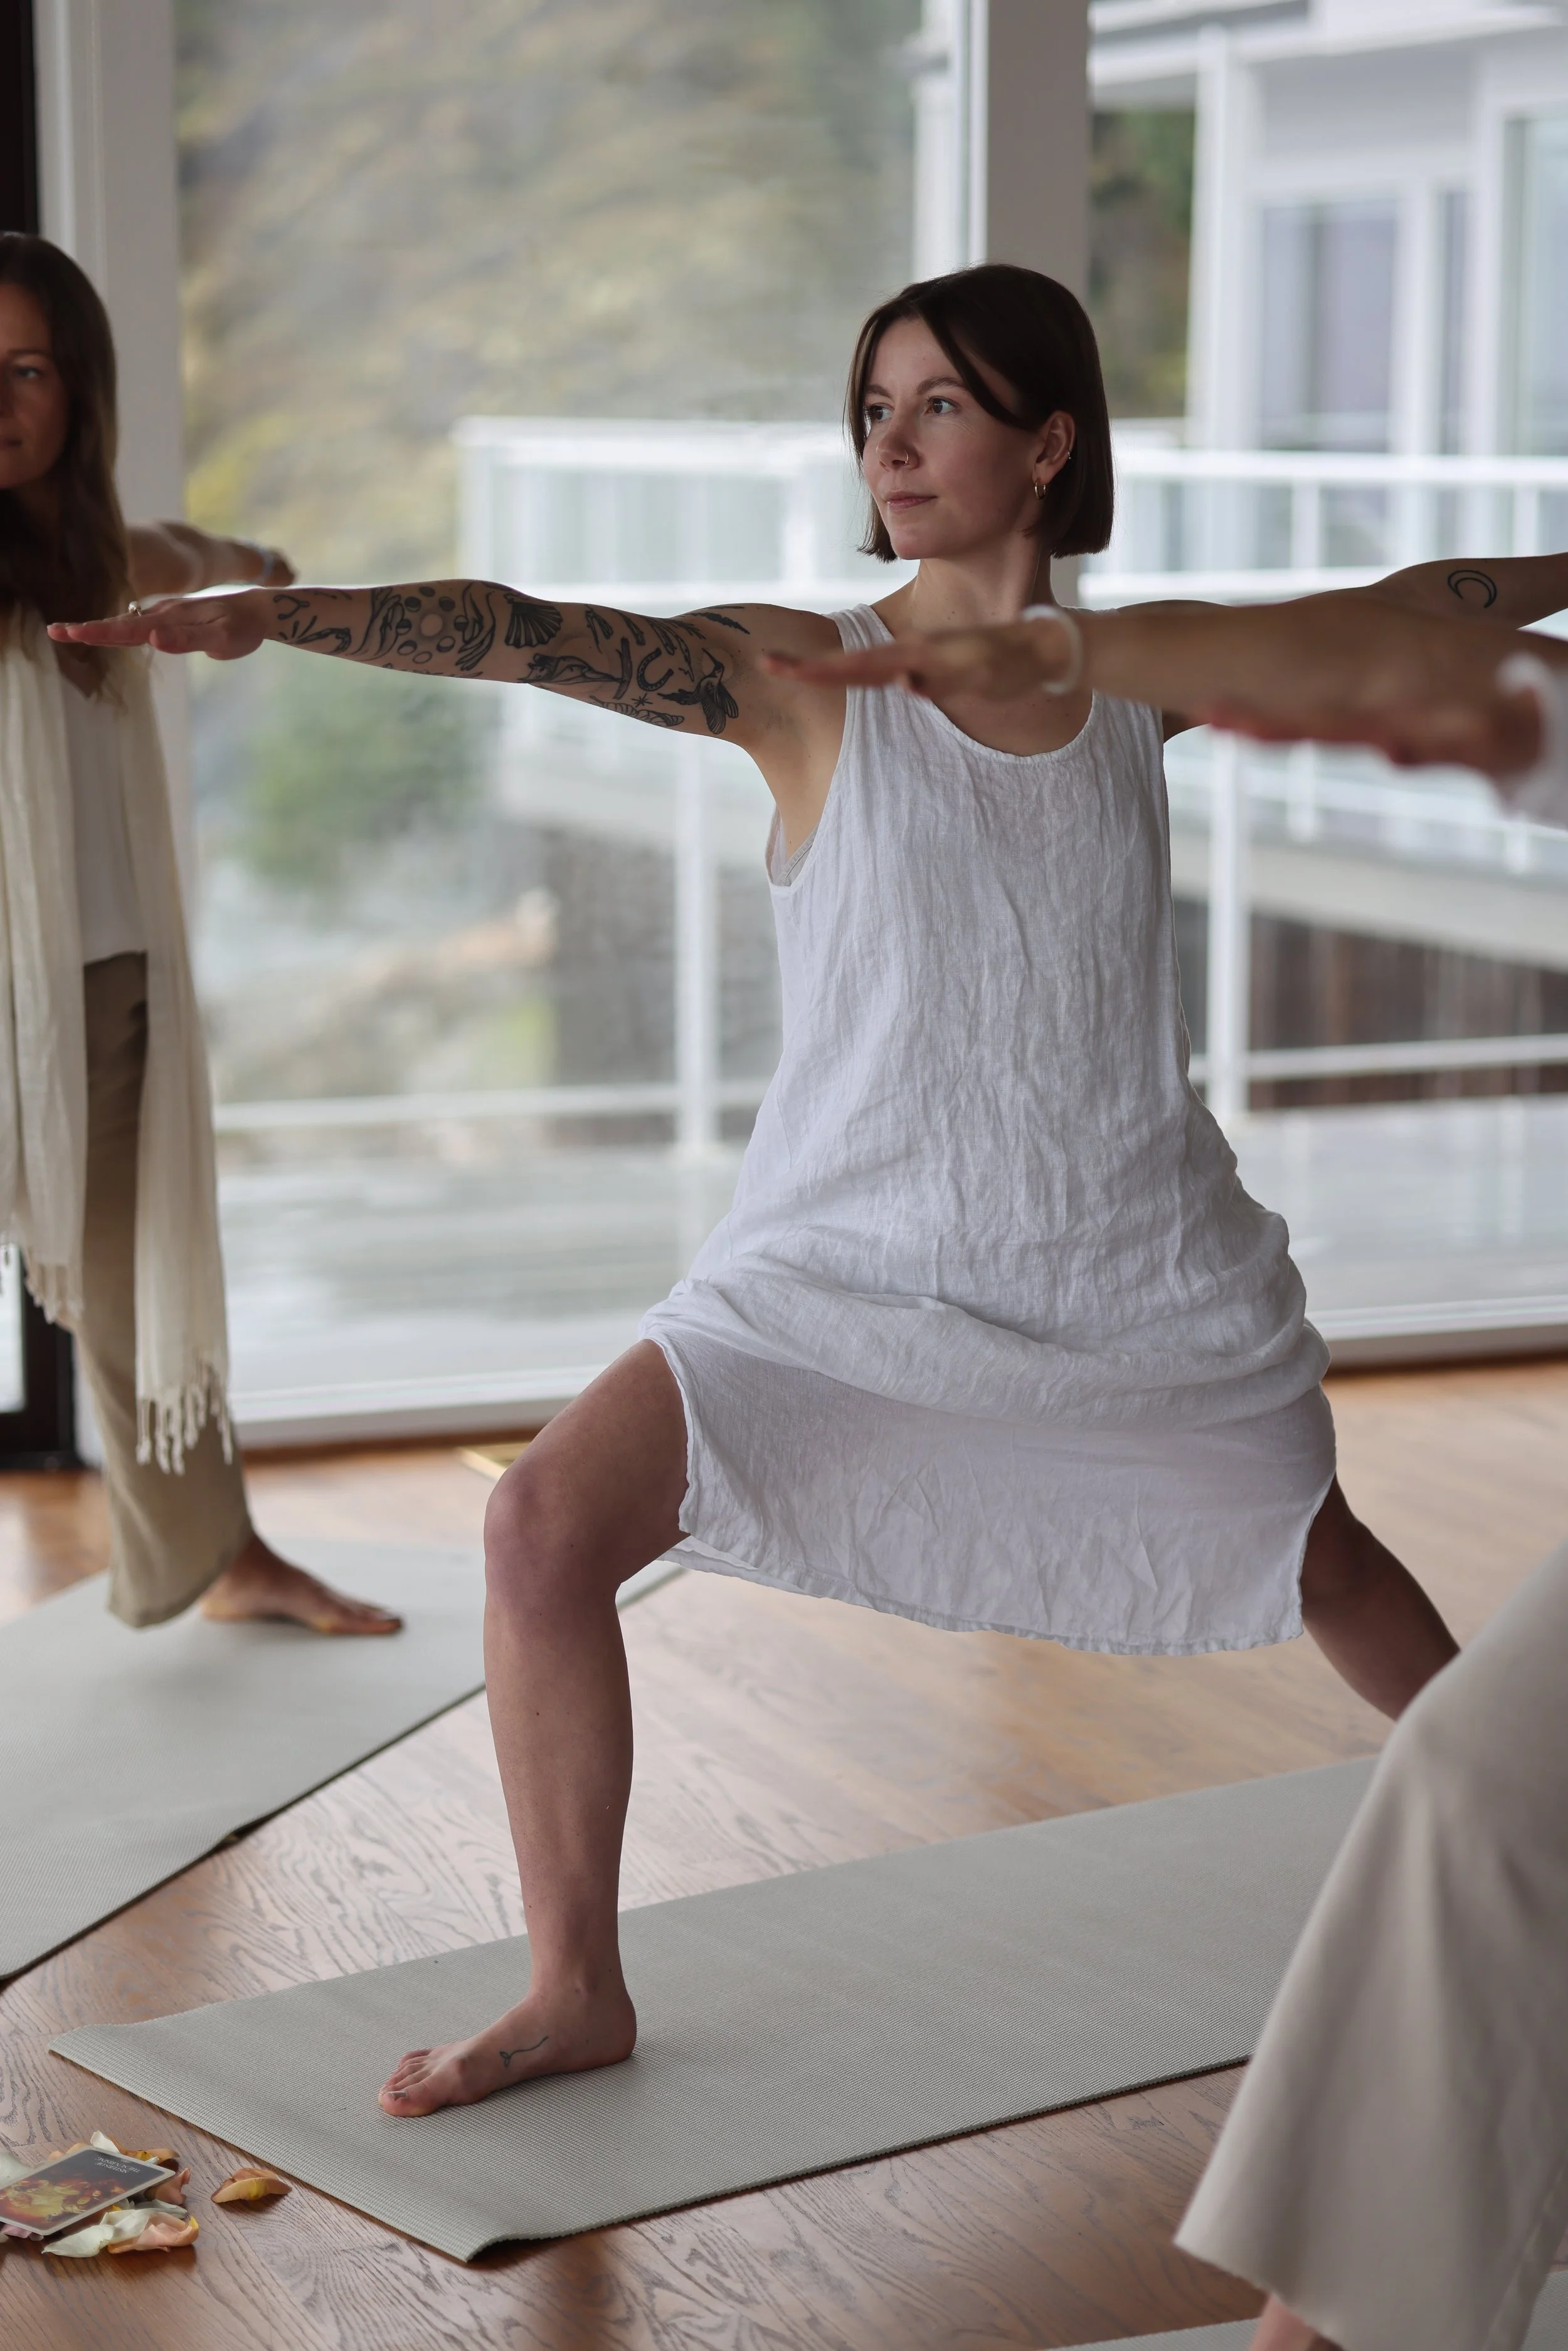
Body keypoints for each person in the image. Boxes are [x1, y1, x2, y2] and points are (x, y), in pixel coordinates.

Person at [55, 262, 1566, 2123]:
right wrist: (287, 615)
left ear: (1047, 445)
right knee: (536, 1530)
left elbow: (1403, 614)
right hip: (836, 1270)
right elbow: (533, 629)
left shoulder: (1125, 689)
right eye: (871, 409)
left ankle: (1540, 1840)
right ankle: (572, 1984)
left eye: (937, 405)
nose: (891, 444)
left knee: (1314, 1548)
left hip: (1119, 1267)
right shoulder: (804, 682)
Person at [784, 594, 1568, 2351]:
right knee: (1471, 1776)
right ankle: (1333, 2320)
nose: (890, 444)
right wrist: (1064, 664)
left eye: (938, 407)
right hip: (875, 1261)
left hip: (1149, 1286)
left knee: (1425, 1707)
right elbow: (1381, 645)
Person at [0, 231, 400, 1637]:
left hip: (103, 994)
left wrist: (256, 599)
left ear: (77, 390)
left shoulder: (110, 559)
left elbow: (241, 562)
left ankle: (220, 1554)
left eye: (27, 367)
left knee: (137, 1287)